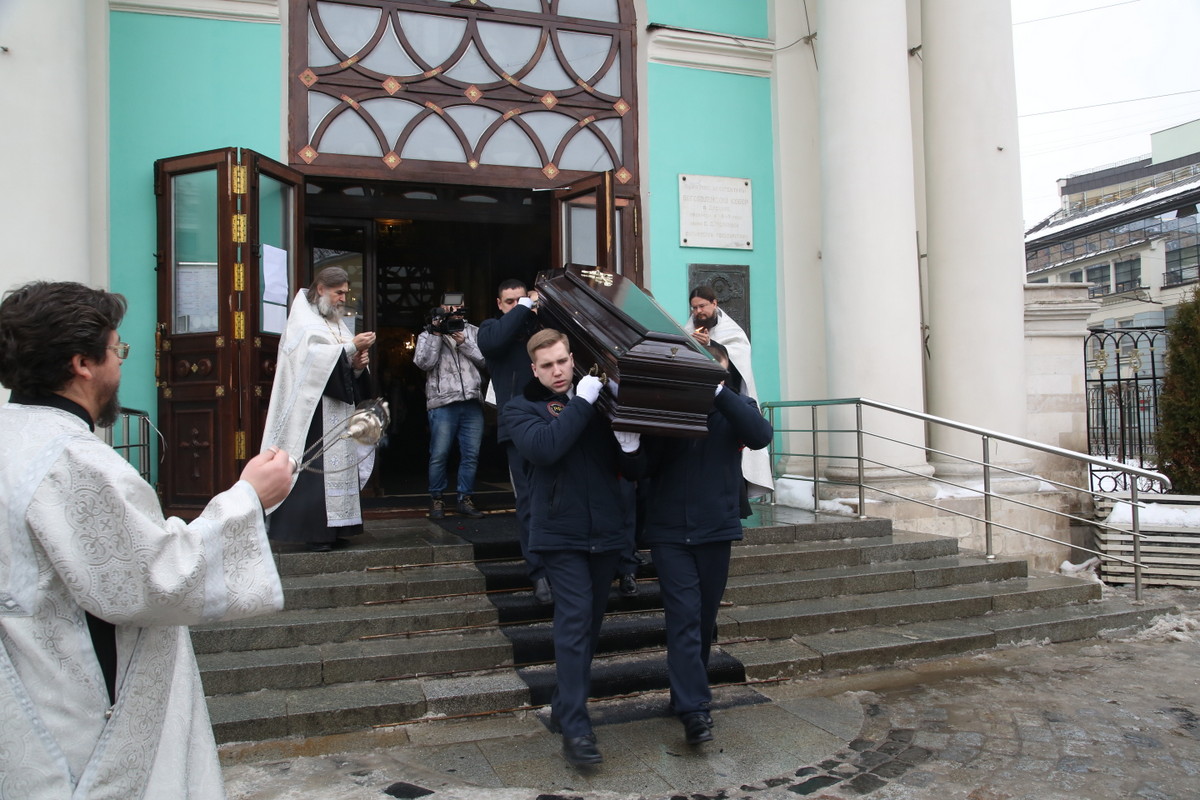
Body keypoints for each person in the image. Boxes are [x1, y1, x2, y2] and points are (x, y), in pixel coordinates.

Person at [0, 281, 294, 799]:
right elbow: (156, 579)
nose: (121, 364)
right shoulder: (75, 461)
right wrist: (250, 498)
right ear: (82, 364)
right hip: (76, 717)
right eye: (118, 350)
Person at [502, 329, 643, 766]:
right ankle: (578, 729)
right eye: (547, 365)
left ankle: (565, 707)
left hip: (605, 530)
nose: (558, 371)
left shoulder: (598, 402)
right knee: (576, 619)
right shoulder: (520, 408)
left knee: (590, 625)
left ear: (572, 357)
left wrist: (631, 446)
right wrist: (582, 402)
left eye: (562, 361)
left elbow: (632, 470)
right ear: (535, 370)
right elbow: (546, 448)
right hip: (559, 533)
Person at [639, 341, 774, 746]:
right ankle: (695, 709)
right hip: (669, 531)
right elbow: (644, 465)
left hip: (715, 529)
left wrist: (718, 393)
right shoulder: (667, 409)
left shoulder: (737, 407)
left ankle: (683, 695)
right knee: (683, 617)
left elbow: (760, 436)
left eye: (713, 370)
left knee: (702, 621)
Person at [261, 267, 376, 552]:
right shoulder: (303, 320)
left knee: (337, 469)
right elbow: (310, 361)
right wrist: (351, 347)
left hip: (337, 409)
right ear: (321, 289)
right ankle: (314, 533)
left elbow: (343, 364)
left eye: (345, 293)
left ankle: (338, 529)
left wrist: (357, 366)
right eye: (339, 293)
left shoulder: (336, 322)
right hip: (311, 411)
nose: (343, 299)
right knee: (315, 471)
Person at [478, 279, 552, 602]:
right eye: (509, 301)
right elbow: (494, 342)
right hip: (517, 429)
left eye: (520, 300)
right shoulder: (490, 329)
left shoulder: (540, 327)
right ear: (499, 304)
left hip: (553, 423)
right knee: (529, 502)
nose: (516, 305)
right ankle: (539, 574)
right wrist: (523, 307)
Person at [683, 286, 774, 502]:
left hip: (727, 409)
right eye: (694, 308)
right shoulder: (687, 330)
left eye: (702, 306)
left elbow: (737, 363)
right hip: (699, 409)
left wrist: (711, 345)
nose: (698, 312)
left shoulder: (732, 332)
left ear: (714, 303)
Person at [413, 301, 487, 519]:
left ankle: (465, 498)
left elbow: (485, 360)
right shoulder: (427, 334)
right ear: (441, 307)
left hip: (471, 401)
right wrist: (436, 333)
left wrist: (464, 343)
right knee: (439, 454)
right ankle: (437, 499)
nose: (454, 310)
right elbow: (424, 363)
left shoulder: (473, 331)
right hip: (443, 403)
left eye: (458, 305)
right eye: (449, 306)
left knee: (471, 455)